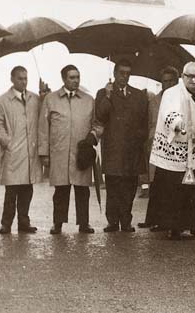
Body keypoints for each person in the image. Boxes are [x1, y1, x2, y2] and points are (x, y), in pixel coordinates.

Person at [149, 62, 195, 240]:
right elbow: (168, 113)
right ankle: (174, 226)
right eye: (190, 76)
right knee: (174, 189)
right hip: (176, 149)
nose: (193, 80)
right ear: (183, 76)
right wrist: (178, 124)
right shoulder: (171, 93)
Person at [39, 65, 102, 234]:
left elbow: (98, 124)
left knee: (82, 190)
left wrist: (92, 137)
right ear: (63, 79)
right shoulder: (51, 100)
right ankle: (57, 223)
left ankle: (84, 223)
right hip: (59, 153)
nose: (76, 81)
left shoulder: (89, 100)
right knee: (61, 190)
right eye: (72, 78)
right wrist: (44, 153)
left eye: (77, 77)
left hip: (81, 153)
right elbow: (43, 128)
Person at [95, 59, 149, 233]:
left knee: (130, 188)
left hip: (132, 151)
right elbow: (100, 116)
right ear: (115, 74)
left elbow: (144, 121)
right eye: (121, 73)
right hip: (113, 150)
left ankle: (126, 221)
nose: (124, 77)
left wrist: (139, 138)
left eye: (127, 73)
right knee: (113, 188)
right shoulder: (103, 93)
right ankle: (112, 221)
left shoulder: (139, 95)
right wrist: (108, 96)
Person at [0, 66, 42, 235]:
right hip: (13, 151)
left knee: (27, 190)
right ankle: (6, 223)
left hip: (30, 151)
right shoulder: (1, 101)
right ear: (12, 79)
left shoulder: (34, 99)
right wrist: (6, 141)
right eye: (20, 78)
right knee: (11, 191)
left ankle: (24, 222)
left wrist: (44, 95)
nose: (23, 81)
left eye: (25, 78)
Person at [138, 66, 179, 230]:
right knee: (156, 184)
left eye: (171, 81)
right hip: (156, 147)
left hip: (175, 149)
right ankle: (156, 220)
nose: (167, 84)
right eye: (164, 81)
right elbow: (149, 123)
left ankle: (172, 221)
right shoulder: (154, 100)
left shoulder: (181, 99)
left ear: (176, 82)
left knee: (172, 186)